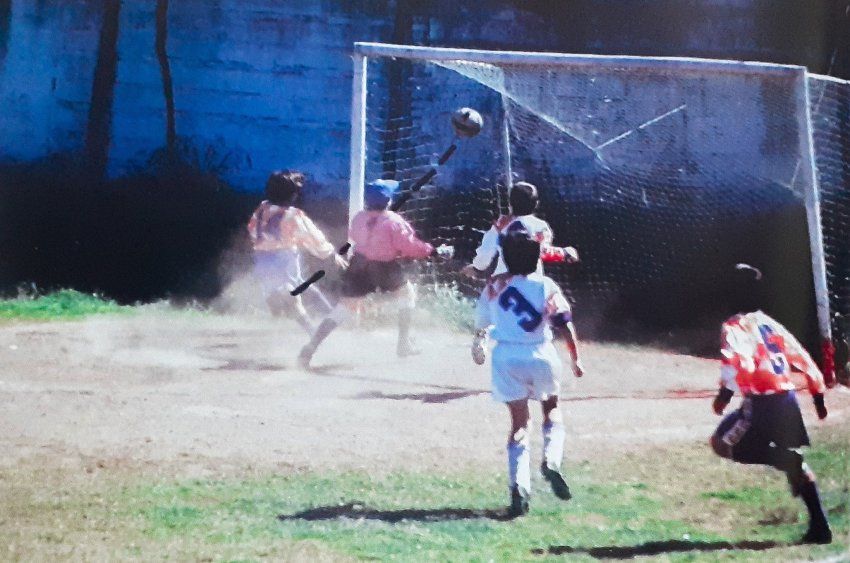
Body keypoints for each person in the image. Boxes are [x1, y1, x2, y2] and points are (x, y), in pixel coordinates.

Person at [471, 227, 585, 518]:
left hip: (506, 356)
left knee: (519, 424)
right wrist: (576, 359)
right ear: (537, 256)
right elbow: (564, 323)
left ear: (505, 257)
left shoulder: (494, 285)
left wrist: (479, 341)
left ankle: (519, 487)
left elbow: (481, 321)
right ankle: (552, 460)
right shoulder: (546, 285)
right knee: (552, 409)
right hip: (541, 354)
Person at [709, 292, 832, 544]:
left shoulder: (734, 326)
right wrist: (817, 394)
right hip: (787, 400)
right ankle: (821, 527)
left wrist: (723, 395)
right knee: (797, 466)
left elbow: (740, 363)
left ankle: (784, 459)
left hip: (763, 403)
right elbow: (799, 354)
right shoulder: (767, 322)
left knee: (721, 442)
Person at [298, 179, 449, 367]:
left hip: (359, 265)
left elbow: (354, 235)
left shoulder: (360, 217)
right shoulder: (394, 221)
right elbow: (410, 246)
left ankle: (310, 348)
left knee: (343, 309)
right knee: (407, 294)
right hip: (384, 267)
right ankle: (403, 343)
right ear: (388, 202)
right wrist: (432, 251)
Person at [247, 170, 347, 334]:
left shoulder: (262, 208)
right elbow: (312, 236)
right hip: (283, 258)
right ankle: (322, 326)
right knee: (295, 292)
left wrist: (261, 242)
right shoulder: (293, 215)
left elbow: (252, 229)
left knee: (293, 291)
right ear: (293, 195)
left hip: (263, 258)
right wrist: (330, 253)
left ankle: (322, 324)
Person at [463, 181, 578, 279]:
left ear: (510, 203)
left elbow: (485, 254)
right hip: (532, 281)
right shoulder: (541, 226)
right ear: (536, 204)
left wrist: (476, 267)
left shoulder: (500, 226)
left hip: (503, 281)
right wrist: (564, 253)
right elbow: (544, 251)